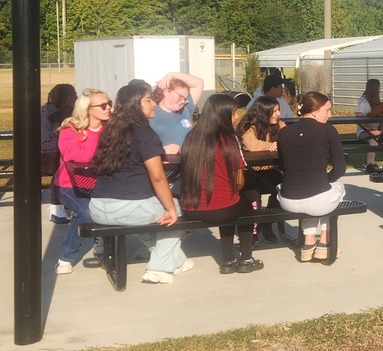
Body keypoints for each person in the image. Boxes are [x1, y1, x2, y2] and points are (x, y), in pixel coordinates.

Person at [90, 84, 188, 284]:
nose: (154, 104)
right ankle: (158, 269)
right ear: (136, 105)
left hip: (98, 207)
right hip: (129, 208)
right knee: (178, 214)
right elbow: (158, 177)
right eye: (148, 100)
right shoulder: (145, 134)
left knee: (152, 220)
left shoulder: (109, 132)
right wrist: (170, 208)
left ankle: (178, 260)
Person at [179, 93, 264, 275]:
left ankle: (228, 259)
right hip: (220, 209)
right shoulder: (229, 139)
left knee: (230, 201)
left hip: (190, 207)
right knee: (248, 199)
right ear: (223, 114)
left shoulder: (191, 137)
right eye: (233, 113)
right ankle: (246, 259)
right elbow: (239, 181)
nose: (236, 118)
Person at [276, 91, 348, 262]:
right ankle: (324, 243)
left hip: (288, 200)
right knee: (335, 188)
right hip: (317, 200)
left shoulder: (284, 132)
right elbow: (340, 169)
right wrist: (326, 180)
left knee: (317, 193)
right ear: (315, 110)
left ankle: (308, 243)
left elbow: (283, 167)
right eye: (327, 110)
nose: (329, 115)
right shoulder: (328, 130)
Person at [51, 90, 113, 273]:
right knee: (87, 211)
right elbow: (72, 155)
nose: (109, 107)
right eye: (103, 105)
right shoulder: (70, 129)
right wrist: (103, 155)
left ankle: (103, 240)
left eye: (109, 103)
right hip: (69, 185)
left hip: (100, 183)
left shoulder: (110, 128)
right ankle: (66, 257)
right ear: (88, 109)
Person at [235, 95, 285, 244]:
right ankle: (251, 231)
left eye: (278, 110)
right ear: (263, 113)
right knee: (253, 197)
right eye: (274, 111)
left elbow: (288, 139)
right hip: (250, 173)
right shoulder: (248, 127)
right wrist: (272, 145)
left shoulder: (279, 125)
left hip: (271, 171)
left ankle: (267, 221)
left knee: (284, 188)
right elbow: (251, 145)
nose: (278, 114)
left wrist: (279, 143)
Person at [42, 83, 77, 222]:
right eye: (74, 95)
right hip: (43, 157)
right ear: (65, 98)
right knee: (62, 164)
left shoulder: (68, 114)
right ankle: (55, 209)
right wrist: (64, 142)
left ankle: (72, 200)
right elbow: (43, 144)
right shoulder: (45, 116)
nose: (76, 98)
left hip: (60, 152)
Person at [149, 71, 204, 153]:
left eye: (185, 98)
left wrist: (172, 75)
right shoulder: (151, 114)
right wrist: (162, 151)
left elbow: (199, 83)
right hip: (166, 164)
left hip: (189, 162)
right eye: (180, 96)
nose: (182, 101)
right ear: (166, 91)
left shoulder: (186, 109)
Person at [356, 79, 383, 174]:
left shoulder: (377, 101)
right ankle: (370, 165)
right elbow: (359, 118)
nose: (380, 89)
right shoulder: (363, 101)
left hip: (376, 131)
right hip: (363, 132)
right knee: (373, 140)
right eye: (379, 87)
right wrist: (371, 130)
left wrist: (380, 129)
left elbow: (381, 116)